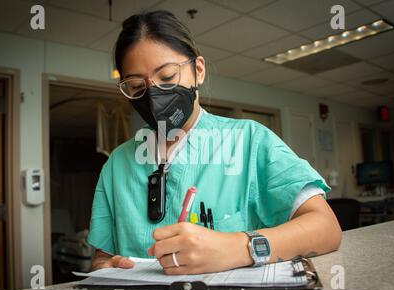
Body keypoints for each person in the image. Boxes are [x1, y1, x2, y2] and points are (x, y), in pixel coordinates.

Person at [88, 10, 342, 275]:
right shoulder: (117, 164)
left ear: (198, 71)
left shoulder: (250, 141)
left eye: (166, 78)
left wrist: (236, 247)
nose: (153, 97)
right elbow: (101, 258)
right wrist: (106, 266)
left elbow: (325, 227)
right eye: (137, 88)